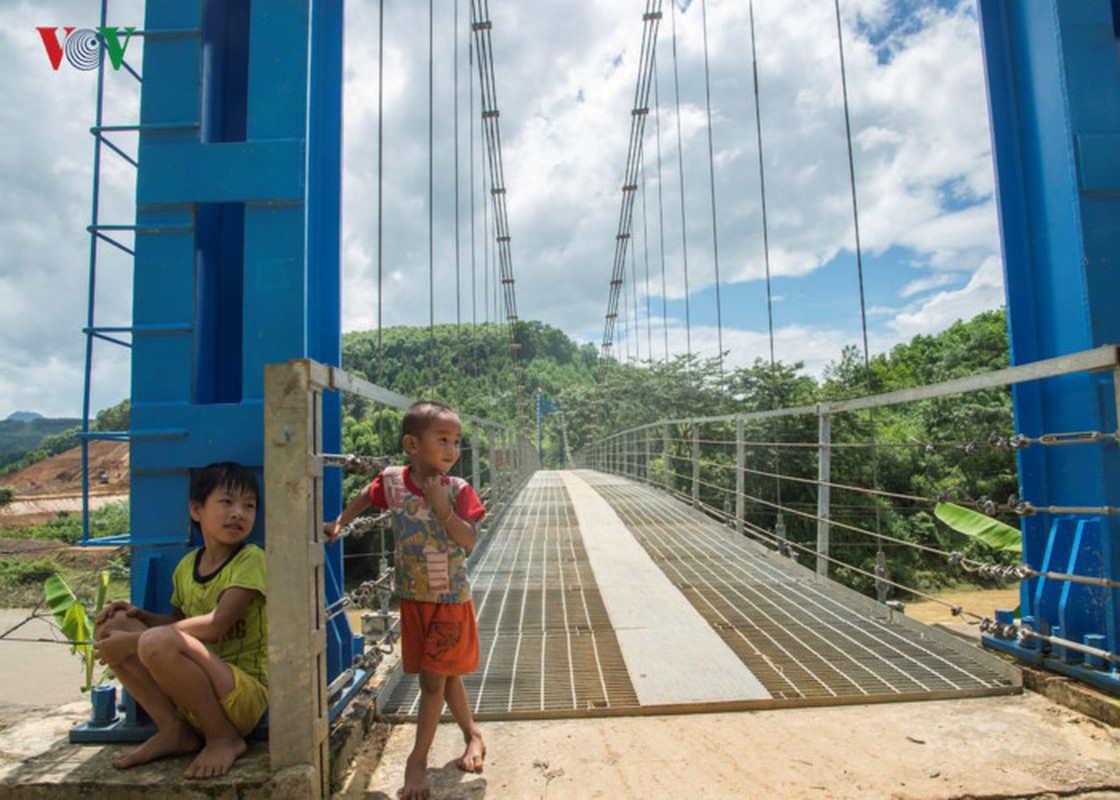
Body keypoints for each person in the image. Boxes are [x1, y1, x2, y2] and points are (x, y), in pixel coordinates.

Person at [327, 400, 486, 800]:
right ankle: (474, 736)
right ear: (412, 445)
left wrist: (444, 510)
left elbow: (469, 540)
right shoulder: (395, 481)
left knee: (434, 679)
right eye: (443, 440)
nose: (452, 450)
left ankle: (417, 761)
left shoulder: (458, 489)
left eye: (456, 442)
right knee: (445, 675)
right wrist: (341, 522)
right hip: (414, 598)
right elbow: (368, 492)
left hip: (450, 599)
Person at [93, 461, 268, 780]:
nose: (239, 513)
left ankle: (223, 737)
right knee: (113, 624)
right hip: (191, 693)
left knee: (153, 640)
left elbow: (214, 626)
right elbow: (179, 621)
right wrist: (140, 617)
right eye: (226, 502)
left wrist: (134, 642)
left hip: (241, 694)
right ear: (196, 510)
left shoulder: (251, 560)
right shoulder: (187, 566)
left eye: (249, 505)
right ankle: (174, 729)